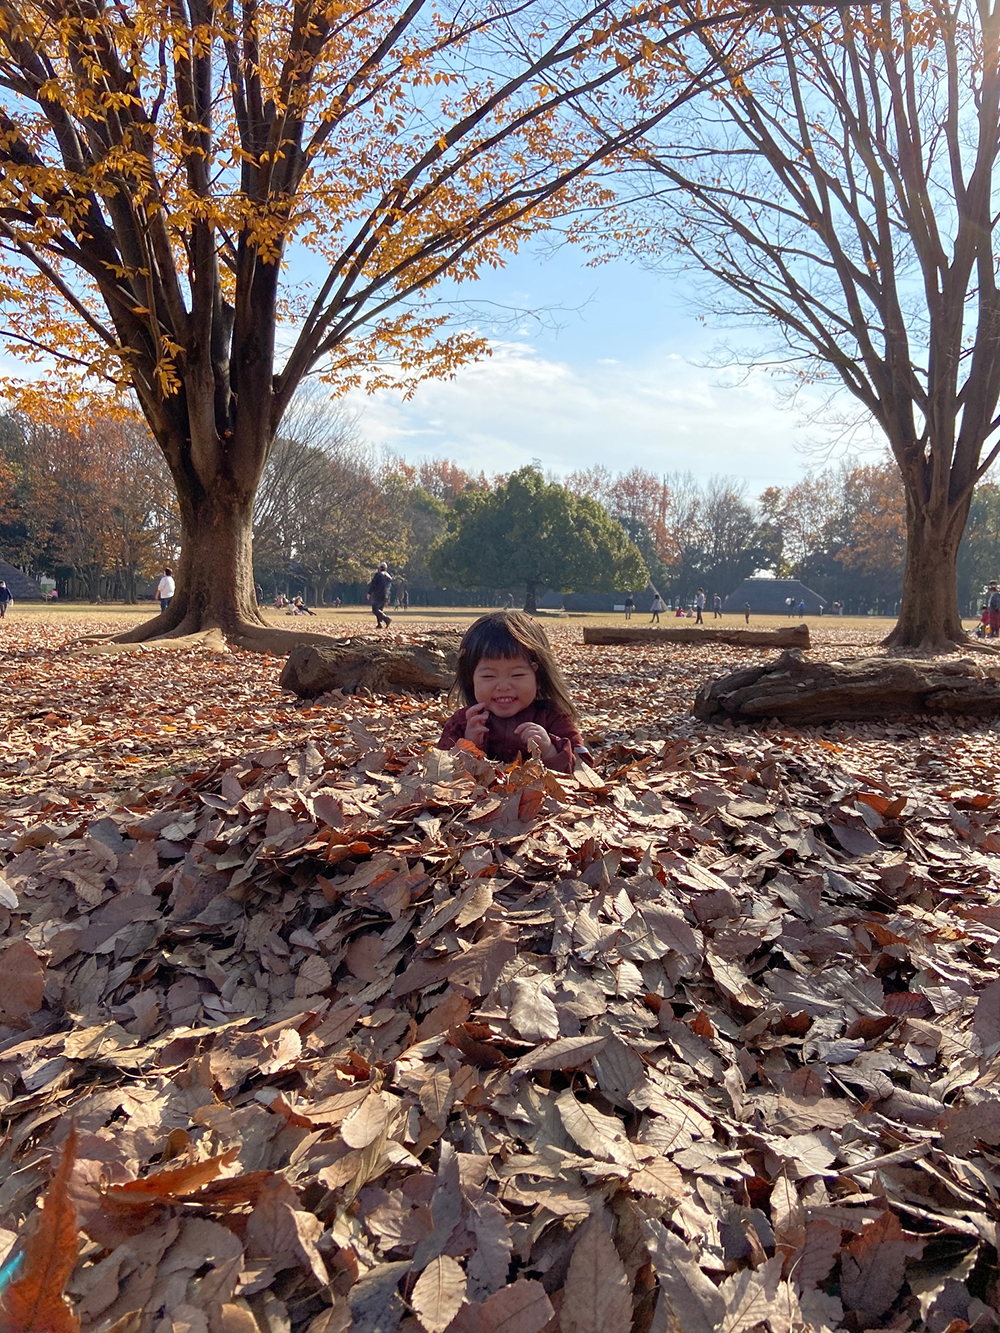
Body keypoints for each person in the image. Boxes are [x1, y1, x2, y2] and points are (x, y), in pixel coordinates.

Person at [438, 611, 584, 774]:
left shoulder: (554, 718)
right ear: (470, 679)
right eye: (489, 676)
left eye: (517, 675)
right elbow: (439, 770)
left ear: (539, 677)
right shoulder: (462, 722)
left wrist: (550, 751)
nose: (503, 686)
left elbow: (585, 769)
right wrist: (468, 744)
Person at [367, 561, 393, 628]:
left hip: (378, 594)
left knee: (375, 609)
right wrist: (388, 597)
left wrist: (369, 593)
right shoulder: (389, 577)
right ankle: (380, 624)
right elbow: (389, 588)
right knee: (380, 610)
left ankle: (387, 619)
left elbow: (373, 585)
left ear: (380, 568)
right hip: (386, 595)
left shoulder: (378, 575)